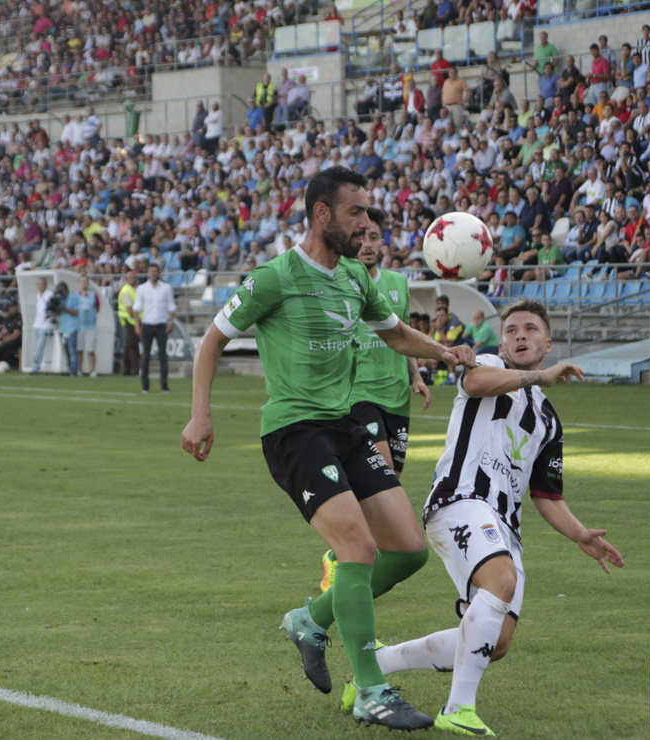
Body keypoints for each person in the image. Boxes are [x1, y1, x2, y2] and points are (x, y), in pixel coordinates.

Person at [182, 167, 476, 731]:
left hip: (344, 427)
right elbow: (214, 337)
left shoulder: (353, 277)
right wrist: (201, 413)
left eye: (368, 213)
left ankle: (309, 620)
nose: (366, 224)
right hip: (294, 430)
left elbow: (393, 333)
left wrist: (444, 352)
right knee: (358, 547)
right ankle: (371, 690)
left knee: (409, 550)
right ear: (323, 215)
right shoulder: (275, 277)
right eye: (356, 213)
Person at [334, 300, 624, 737]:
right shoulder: (487, 363)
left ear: (548, 342)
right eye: (511, 329)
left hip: (506, 524)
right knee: (500, 581)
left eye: (529, 329)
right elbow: (474, 382)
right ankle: (458, 708)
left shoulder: (547, 419)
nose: (519, 336)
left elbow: (546, 495)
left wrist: (580, 533)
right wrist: (538, 375)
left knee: (496, 642)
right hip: (460, 500)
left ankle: (375, 663)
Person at [318, 206, 432, 590]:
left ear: (383, 243)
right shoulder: (343, 282)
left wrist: (415, 374)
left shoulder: (398, 283)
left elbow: (401, 334)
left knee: (389, 483)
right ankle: (346, 558)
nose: (367, 245)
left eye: (373, 238)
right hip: (360, 394)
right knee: (380, 472)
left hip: (396, 395)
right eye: (361, 238)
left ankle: (344, 554)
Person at [134, 264, 176, 394]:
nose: (153, 273)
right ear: (147, 273)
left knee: (163, 356)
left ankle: (164, 385)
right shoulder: (141, 288)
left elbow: (171, 306)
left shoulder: (166, 288)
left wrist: (170, 322)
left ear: (159, 273)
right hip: (147, 324)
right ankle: (145, 386)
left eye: (155, 271)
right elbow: (136, 308)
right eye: (150, 271)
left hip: (161, 324)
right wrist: (137, 325)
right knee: (145, 356)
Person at [73, 274, 101, 376]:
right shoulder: (75, 294)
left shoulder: (94, 295)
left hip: (91, 326)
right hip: (79, 326)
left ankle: (92, 370)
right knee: (79, 350)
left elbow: (97, 308)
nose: (83, 283)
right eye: (81, 281)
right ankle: (79, 370)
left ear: (88, 282)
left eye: (85, 281)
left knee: (90, 350)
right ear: (78, 283)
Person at [117, 269, 140, 376]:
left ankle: (126, 369)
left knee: (129, 345)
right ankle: (135, 368)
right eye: (131, 278)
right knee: (133, 346)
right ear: (126, 280)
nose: (133, 279)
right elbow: (129, 310)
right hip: (130, 321)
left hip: (130, 321)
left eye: (134, 277)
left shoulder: (132, 289)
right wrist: (137, 321)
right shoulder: (127, 291)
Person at [30, 277, 54, 374]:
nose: (40, 285)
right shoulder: (38, 296)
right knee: (35, 346)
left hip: (45, 325)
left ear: (46, 285)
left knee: (40, 347)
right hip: (37, 324)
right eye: (39, 284)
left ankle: (35, 367)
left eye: (42, 284)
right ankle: (35, 366)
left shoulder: (49, 295)